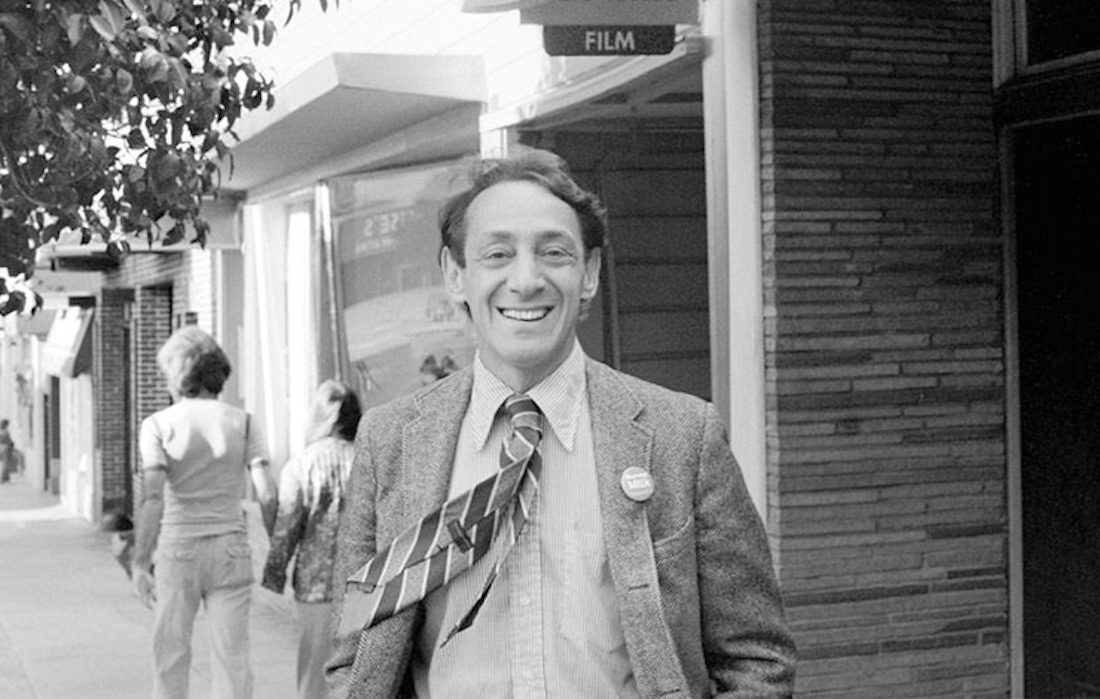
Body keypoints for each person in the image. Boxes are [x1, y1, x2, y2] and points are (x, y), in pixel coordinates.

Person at [327, 149, 797, 698]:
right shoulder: (390, 443)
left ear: (590, 272)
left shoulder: (682, 436)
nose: (526, 280)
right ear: (455, 275)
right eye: (497, 254)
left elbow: (755, 659)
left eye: (554, 252)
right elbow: (353, 653)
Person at [131, 326, 277, 699]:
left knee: (171, 656)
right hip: (231, 548)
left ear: (176, 374)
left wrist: (140, 561)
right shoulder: (244, 422)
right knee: (232, 659)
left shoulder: (158, 426)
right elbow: (267, 492)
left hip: (178, 550)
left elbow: (153, 498)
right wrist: (276, 547)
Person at [262, 379, 363, 699]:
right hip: (365, 582)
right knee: (358, 669)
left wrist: (274, 575)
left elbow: (286, 528)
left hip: (314, 585)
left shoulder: (301, 465)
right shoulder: (369, 459)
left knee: (314, 668)